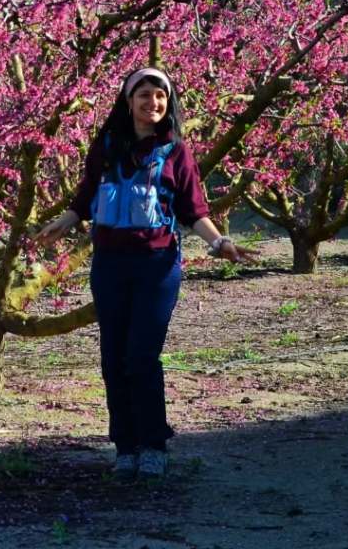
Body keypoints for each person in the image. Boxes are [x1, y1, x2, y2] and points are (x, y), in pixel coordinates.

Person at [37, 66, 258, 479]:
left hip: (157, 267)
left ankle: (153, 443)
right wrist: (64, 221)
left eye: (160, 95)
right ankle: (125, 445)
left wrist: (218, 243)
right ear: (128, 99)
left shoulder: (176, 150)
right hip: (110, 265)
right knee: (112, 358)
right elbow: (85, 197)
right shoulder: (107, 145)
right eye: (144, 94)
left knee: (141, 355)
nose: (152, 103)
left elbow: (194, 210)